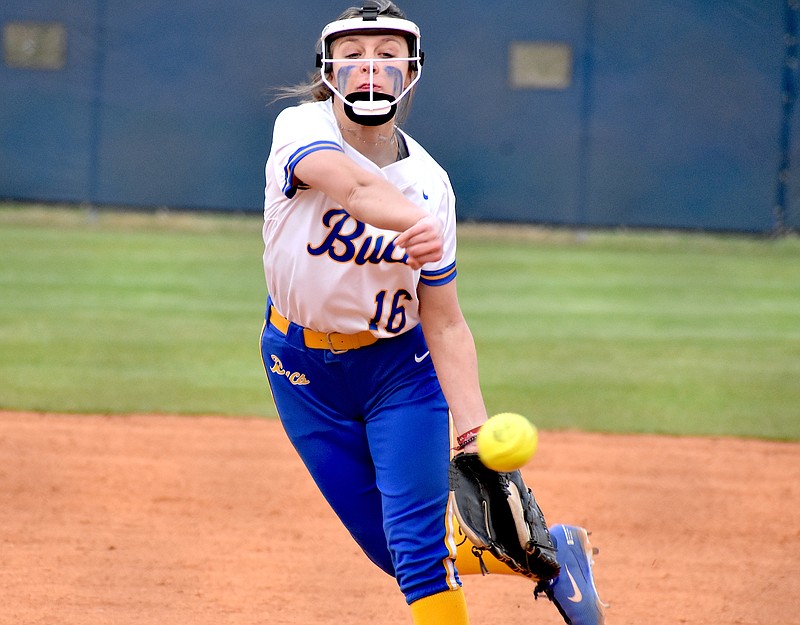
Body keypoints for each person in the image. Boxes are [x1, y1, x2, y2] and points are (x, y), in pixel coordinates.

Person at [259, 2, 606, 623]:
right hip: (301, 369)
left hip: (399, 369)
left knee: (418, 554)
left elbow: (444, 320)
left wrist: (473, 434)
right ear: (329, 70)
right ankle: (554, 556)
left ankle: (532, 557)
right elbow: (356, 188)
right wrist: (411, 223)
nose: (370, 67)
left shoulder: (431, 184)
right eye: (354, 55)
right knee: (391, 550)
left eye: (387, 55)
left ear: (410, 71)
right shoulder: (301, 126)